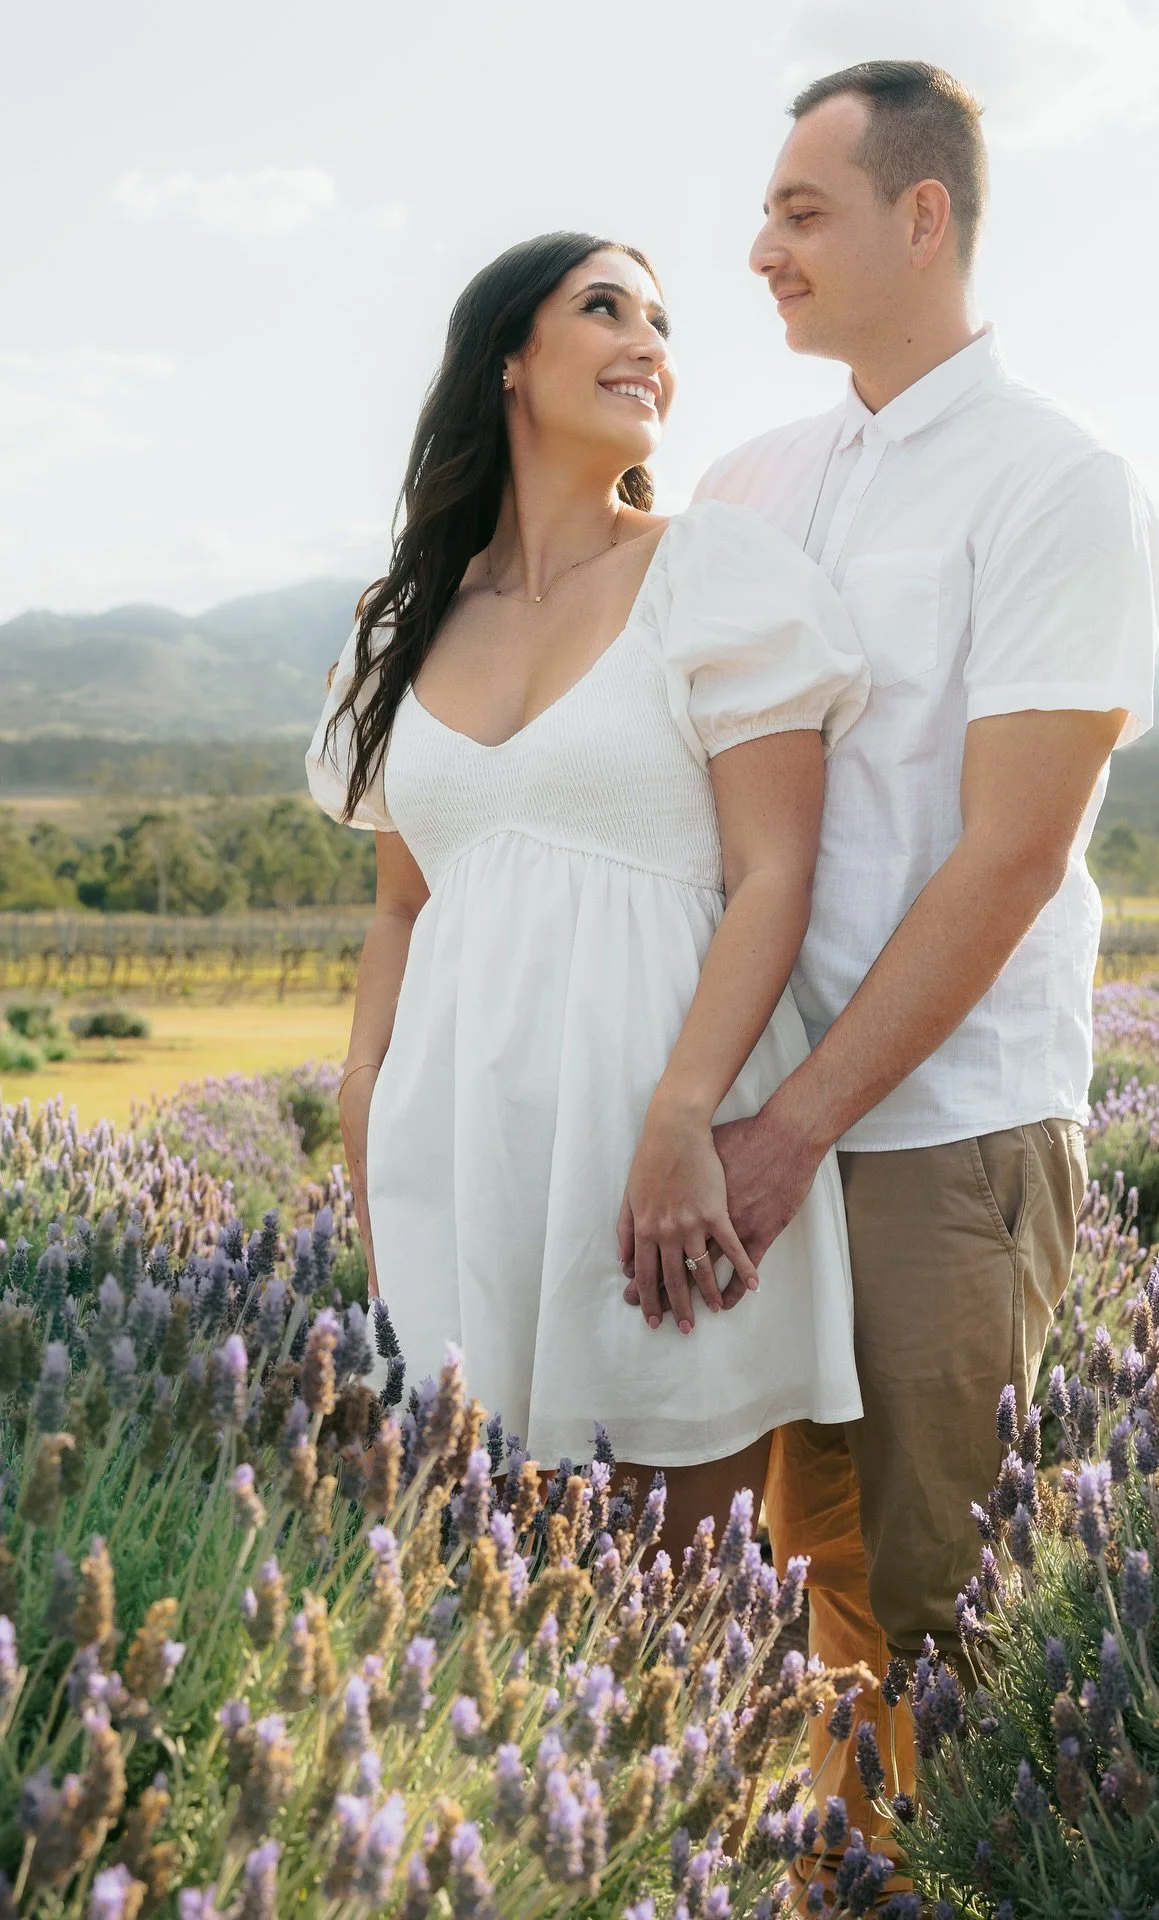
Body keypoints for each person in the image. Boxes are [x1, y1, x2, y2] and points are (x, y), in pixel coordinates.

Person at [673, 60, 1159, 1855]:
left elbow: (1014, 851)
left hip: (935, 1138)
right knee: (758, 1617)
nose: (762, 251)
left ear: (923, 215)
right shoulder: (747, 473)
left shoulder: (1059, 486)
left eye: (803, 213)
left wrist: (796, 1123)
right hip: (744, 1147)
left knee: (939, 1621)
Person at [305, 231, 871, 1553]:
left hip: (658, 1150)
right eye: (604, 308)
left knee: (685, 1609)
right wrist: (361, 1092)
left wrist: (683, 1118)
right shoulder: (402, 624)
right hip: (454, 1149)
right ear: (507, 358)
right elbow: (404, 902)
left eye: (662, 325)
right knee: (479, 1591)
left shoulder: (713, 571)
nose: (648, 346)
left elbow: (772, 870)